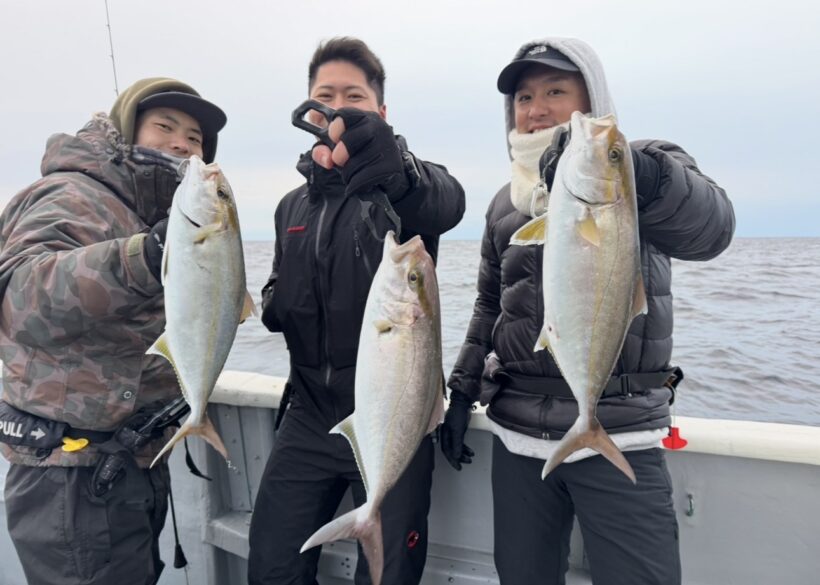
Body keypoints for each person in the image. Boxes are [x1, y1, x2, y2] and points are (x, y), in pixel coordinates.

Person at [440, 38, 735, 585]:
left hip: (621, 431)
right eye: (524, 97)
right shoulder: (506, 203)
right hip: (517, 436)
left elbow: (713, 230)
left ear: (591, 100)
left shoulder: (641, 169)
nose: (536, 109)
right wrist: (461, 391)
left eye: (556, 91)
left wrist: (639, 173)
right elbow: (488, 306)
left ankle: (587, 418)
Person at [249, 37, 465, 585]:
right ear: (309, 111)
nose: (339, 107)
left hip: (396, 411)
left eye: (355, 96)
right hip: (308, 416)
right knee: (272, 568)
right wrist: (277, 301)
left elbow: (446, 200)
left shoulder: (403, 185)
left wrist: (402, 174)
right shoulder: (290, 206)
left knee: (390, 576)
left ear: (381, 112)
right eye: (326, 96)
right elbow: (276, 284)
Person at [0, 78, 227, 585]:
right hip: (70, 473)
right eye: (164, 127)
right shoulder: (73, 194)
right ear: (126, 130)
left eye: (194, 138)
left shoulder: (153, 211)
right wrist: (143, 256)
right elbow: (21, 299)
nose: (181, 144)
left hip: (128, 461)